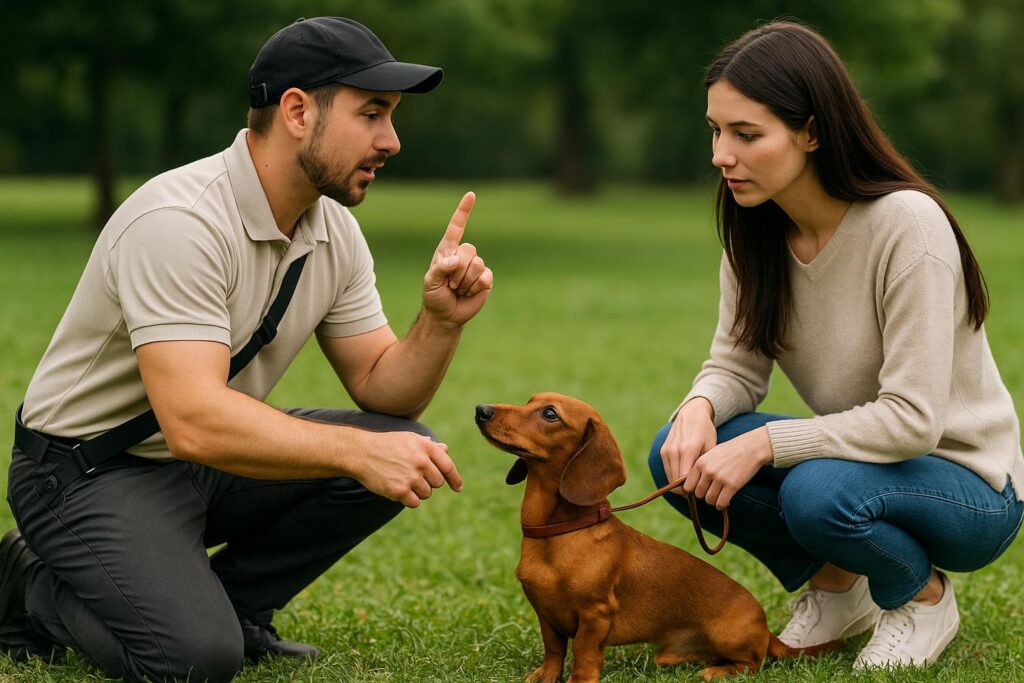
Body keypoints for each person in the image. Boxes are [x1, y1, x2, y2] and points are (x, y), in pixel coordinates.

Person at [1, 16, 493, 683]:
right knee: (191, 660)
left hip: (193, 460)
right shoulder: (179, 222)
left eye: (392, 118)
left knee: (404, 440)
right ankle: (32, 577)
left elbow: (385, 390)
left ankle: (234, 605)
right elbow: (195, 419)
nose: (392, 141)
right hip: (85, 469)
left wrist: (440, 321)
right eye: (372, 113)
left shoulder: (333, 231)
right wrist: (356, 449)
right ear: (296, 110)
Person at [648, 21, 1023, 671]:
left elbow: (913, 420)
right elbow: (737, 363)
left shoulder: (907, 225)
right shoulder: (754, 225)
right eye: (715, 130)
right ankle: (837, 586)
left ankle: (921, 596)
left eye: (746, 134)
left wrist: (765, 442)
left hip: (969, 487)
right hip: (863, 462)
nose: (720, 155)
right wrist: (699, 408)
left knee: (816, 492)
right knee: (674, 453)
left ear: (812, 132)